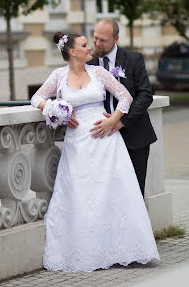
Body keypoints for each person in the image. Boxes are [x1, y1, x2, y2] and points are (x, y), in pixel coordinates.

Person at [31, 31, 159, 273]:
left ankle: (123, 250)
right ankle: (86, 250)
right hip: (77, 146)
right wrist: (57, 110)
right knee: (82, 195)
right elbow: (36, 98)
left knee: (111, 193)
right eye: (84, 45)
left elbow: (125, 96)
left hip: (106, 142)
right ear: (72, 51)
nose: (90, 48)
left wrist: (114, 121)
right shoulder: (58, 76)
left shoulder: (98, 73)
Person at [86, 19, 157, 197]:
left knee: (134, 191)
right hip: (102, 138)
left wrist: (121, 122)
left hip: (134, 135)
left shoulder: (133, 59)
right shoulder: (88, 62)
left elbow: (145, 94)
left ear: (116, 38)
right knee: (107, 193)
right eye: (95, 38)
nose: (97, 43)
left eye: (103, 40)